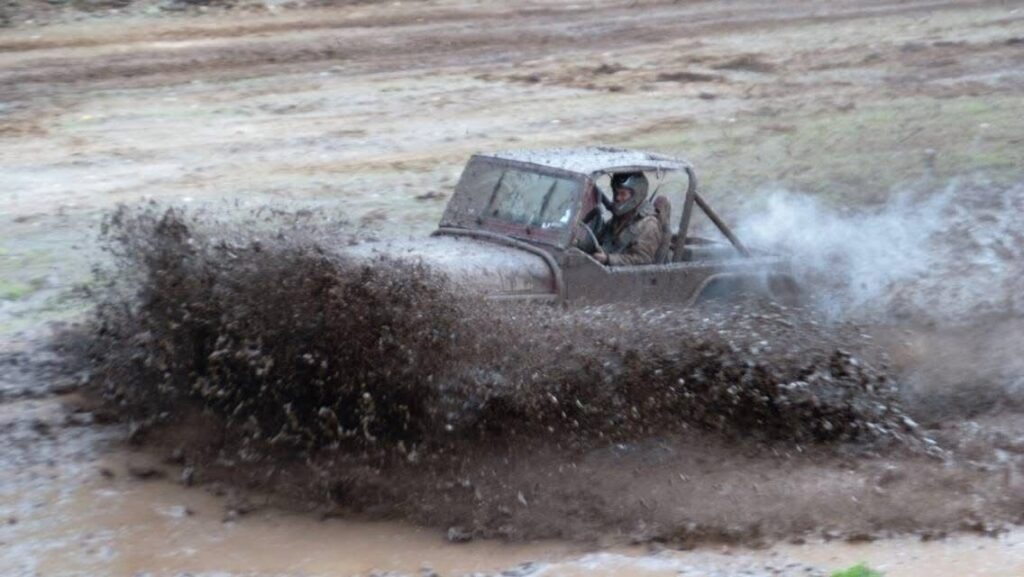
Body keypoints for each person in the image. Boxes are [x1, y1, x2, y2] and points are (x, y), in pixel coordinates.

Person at [591, 172, 662, 266]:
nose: (617, 198)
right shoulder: (620, 218)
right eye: (616, 192)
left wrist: (608, 259)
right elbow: (601, 239)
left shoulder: (648, 224)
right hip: (604, 271)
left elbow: (642, 260)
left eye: (623, 194)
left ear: (637, 194)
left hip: (626, 278)